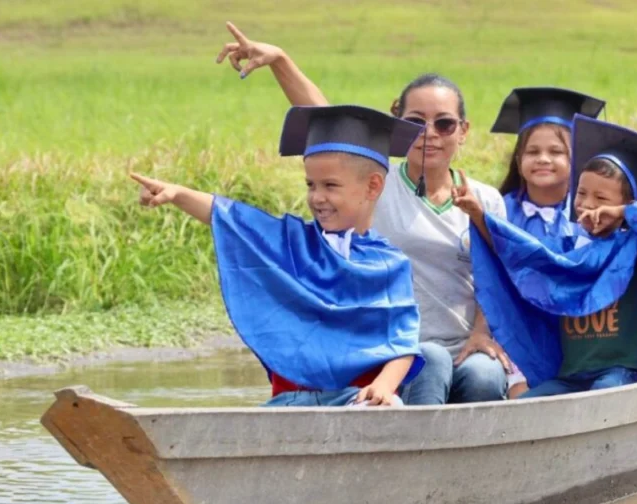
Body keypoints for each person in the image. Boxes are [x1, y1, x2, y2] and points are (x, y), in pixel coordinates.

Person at [215, 22, 510, 404]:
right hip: (387, 349)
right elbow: (326, 116)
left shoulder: (485, 198)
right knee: (429, 358)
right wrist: (280, 62)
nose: (430, 133)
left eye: (444, 123)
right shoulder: (376, 184)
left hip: (463, 344)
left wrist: (482, 333)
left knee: (485, 378)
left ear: (463, 131)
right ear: (396, 120)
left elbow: (495, 275)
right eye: (416, 121)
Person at [131, 105, 426, 407]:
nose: (317, 197)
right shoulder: (293, 243)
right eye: (310, 185)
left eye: (330, 186)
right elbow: (235, 219)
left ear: (373, 186)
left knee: (383, 407)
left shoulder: (390, 264)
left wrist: (384, 387)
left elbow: (402, 341)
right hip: (291, 404)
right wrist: (179, 194)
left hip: (358, 404)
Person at [455, 115, 637, 398]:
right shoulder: (564, 246)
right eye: (582, 193)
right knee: (525, 405)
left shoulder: (633, 246)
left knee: (602, 398)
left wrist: (623, 213)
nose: (587, 204)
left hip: (617, 371)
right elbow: (515, 253)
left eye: (602, 198)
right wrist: (477, 214)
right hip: (571, 374)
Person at [491, 87, 605, 237]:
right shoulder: (500, 211)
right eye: (533, 152)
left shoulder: (588, 214)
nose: (543, 159)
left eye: (556, 152)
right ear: (519, 162)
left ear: (576, 159)